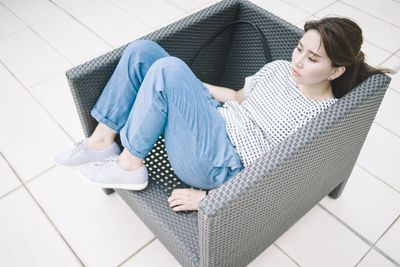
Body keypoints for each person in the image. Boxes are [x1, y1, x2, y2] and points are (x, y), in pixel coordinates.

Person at [55, 17, 386, 212]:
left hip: (219, 163)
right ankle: (102, 142)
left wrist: (209, 199)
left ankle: (129, 166)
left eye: (312, 59)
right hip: (216, 120)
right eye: (299, 48)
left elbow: (277, 176)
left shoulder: (322, 116)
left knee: (167, 70)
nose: (298, 61)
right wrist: (184, 86)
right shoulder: (279, 69)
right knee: (144, 53)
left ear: (335, 71)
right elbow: (238, 98)